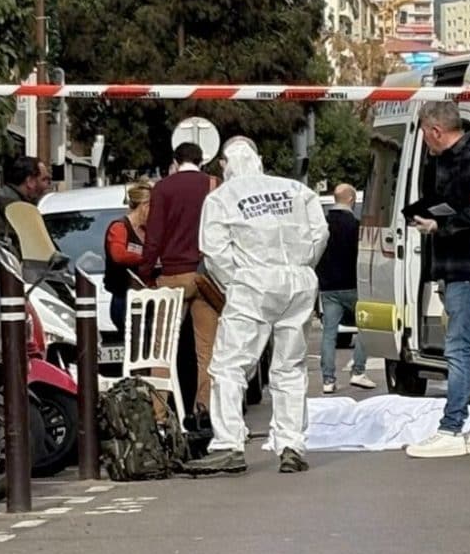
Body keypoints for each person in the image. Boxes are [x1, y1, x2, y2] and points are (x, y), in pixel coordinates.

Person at [184, 137, 329, 476]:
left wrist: (237, 282)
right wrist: (301, 266)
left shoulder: (221, 198)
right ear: (260, 158)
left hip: (252, 283)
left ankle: (228, 444)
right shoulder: (296, 191)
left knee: (229, 366)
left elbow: (214, 250)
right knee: (290, 367)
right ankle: (291, 443)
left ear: (224, 164)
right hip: (297, 281)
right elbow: (319, 234)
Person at [403, 101, 470, 460]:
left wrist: (438, 225)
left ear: (434, 130)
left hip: (468, 269)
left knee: (460, 349)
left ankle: (452, 427)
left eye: (425, 134)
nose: (426, 143)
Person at [141, 142, 218, 413]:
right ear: (202, 161)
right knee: (206, 351)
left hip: (172, 276)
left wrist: (146, 272)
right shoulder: (213, 185)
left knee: (162, 350)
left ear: (175, 160)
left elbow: (154, 236)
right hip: (205, 276)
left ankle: (159, 412)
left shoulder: (162, 188)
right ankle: (204, 409)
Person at [316, 183, 374, 394]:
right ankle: (358, 370)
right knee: (366, 328)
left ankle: (328, 380)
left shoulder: (323, 226)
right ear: (351, 199)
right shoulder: (357, 227)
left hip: (329, 287)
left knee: (329, 334)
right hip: (353, 285)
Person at [103, 181, 152, 330]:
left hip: (146, 296)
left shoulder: (148, 231)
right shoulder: (119, 227)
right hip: (124, 297)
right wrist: (147, 257)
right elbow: (118, 255)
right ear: (144, 206)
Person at [0, 155, 51, 247]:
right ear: (30, 181)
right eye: (44, 180)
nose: (47, 186)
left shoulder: (5, 205)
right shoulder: (16, 212)